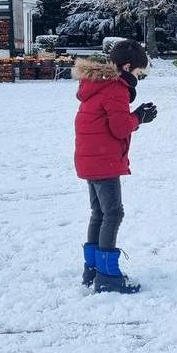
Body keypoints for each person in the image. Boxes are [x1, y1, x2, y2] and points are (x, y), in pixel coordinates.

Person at [74, 40, 157, 294]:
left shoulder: (98, 84)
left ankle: (93, 269)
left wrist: (133, 115)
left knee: (99, 213)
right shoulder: (116, 88)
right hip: (103, 159)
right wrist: (139, 117)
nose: (138, 79)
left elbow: (111, 119)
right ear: (128, 66)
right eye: (138, 74)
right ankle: (108, 276)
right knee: (113, 213)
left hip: (90, 158)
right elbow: (120, 127)